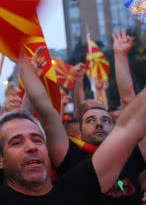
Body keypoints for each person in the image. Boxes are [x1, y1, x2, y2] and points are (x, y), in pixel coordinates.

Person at [17, 52, 146, 204]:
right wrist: (26, 69)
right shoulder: (71, 156)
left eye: (106, 120)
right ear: (79, 132)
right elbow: (48, 114)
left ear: (115, 128)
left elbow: (129, 101)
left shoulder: (129, 154)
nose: (99, 124)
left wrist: (120, 54)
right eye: (90, 121)